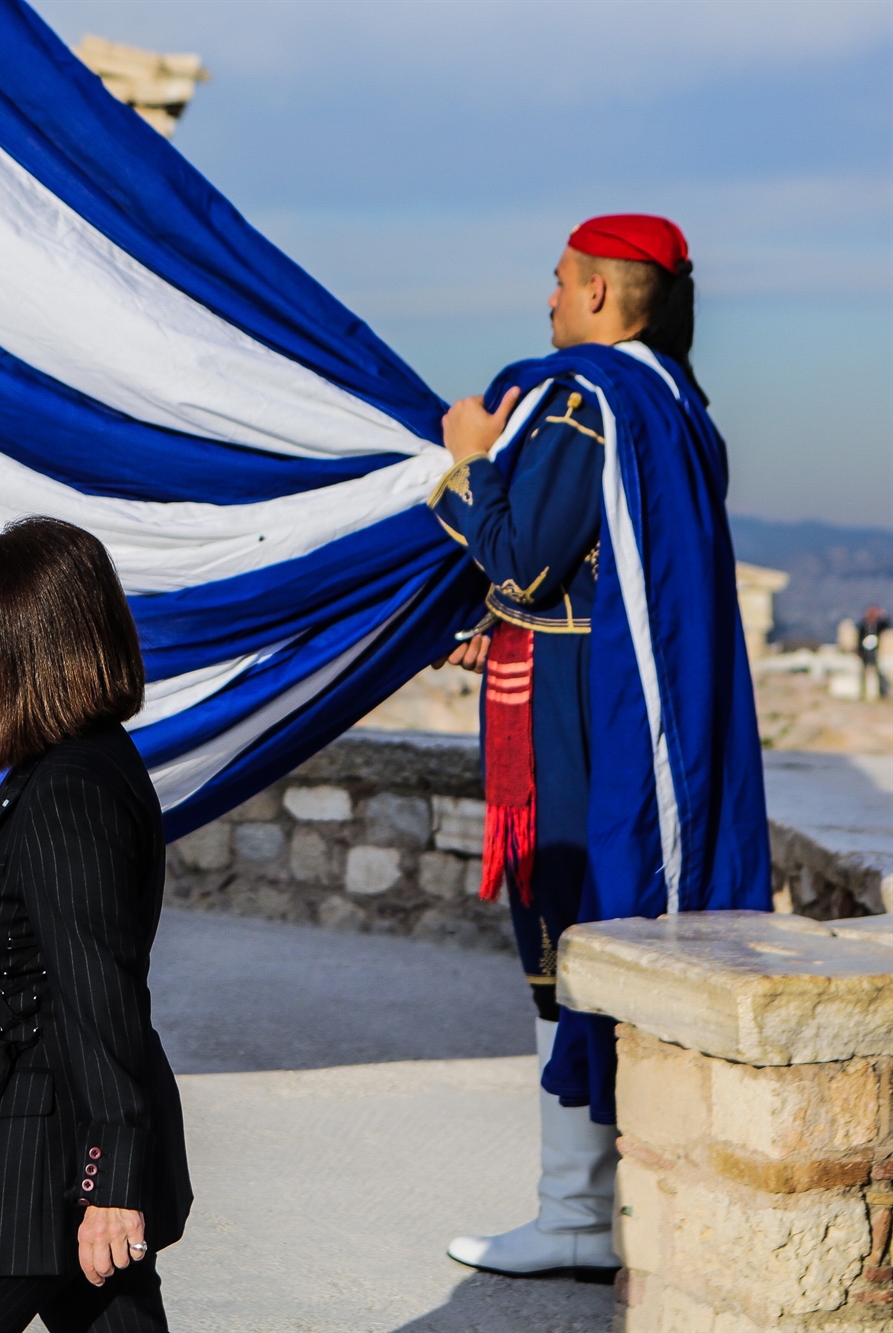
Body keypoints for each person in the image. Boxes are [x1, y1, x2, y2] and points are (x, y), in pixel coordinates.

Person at [427, 215, 769, 1278]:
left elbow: (523, 562)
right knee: (600, 934)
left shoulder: (584, 400)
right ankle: (599, 1204)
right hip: (609, 690)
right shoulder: (674, 400)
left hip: (580, 713)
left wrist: (463, 466)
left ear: (594, 295)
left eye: (557, 282)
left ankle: (570, 1215)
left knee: (569, 936)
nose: (544, 301)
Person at [0, 517, 192, 1333]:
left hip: (19, 1175)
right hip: (45, 1152)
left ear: (23, 638)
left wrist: (112, 1179)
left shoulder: (70, 789)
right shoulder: (69, 768)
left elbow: (98, 989)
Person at [861, 606, 887, 702]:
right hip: (865, 652)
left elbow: (886, 624)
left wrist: (881, 615)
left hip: (875, 651)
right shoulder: (863, 625)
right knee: (863, 673)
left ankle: (883, 692)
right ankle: (863, 691)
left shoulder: (878, 625)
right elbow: (860, 638)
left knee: (879, 672)